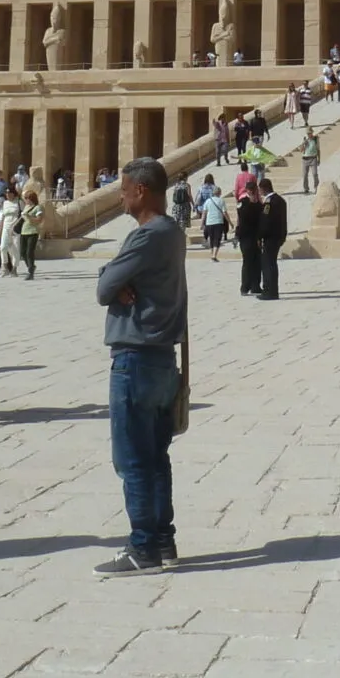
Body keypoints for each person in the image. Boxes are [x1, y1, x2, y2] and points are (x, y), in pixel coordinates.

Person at [94, 157, 188, 575]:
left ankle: (143, 547)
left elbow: (103, 288)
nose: (120, 197)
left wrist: (113, 278)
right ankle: (163, 541)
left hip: (135, 356)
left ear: (141, 191)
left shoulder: (146, 236)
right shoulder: (172, 232)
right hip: (161, 357)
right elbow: (114, 279)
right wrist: (117, 277)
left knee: (131, 458)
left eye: (124, 189)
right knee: (155, 456)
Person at [258, 178, 288, 299]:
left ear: (264, 188)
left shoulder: (269, 202)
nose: (260, 191)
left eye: (260, 189)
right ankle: (274, 291)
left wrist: (259, 236)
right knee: (272, 264)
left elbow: (265, 222)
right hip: (278, 236)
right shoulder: (281, 200)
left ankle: (269, 291)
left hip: (270, 237)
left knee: (267, 264)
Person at [234, 180, 265, 296]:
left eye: (254, 190)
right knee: (247, 261)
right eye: (250, 190)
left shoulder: (259, 203)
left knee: (257, 261)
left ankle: (255, 286)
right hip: (245, 236)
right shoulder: (243, 202)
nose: (252, 192)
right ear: (247, 190)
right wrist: (251, 203)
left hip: (256, 236)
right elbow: (242, 216)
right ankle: (245, 287)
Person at [0, 188, 23, 277]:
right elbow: (3, 216)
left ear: (13, 193)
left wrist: (17, 225)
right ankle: (5, 267)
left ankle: (14, 269)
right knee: (3, 247)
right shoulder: (5, 203)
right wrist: (0, 228)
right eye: (6, 193)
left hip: (15, 227)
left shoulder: (19, 202)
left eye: (9, 193)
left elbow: (23, 215)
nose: (8, 194)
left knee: (15, 248)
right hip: (6, 226)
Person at [200, 179, 228, 262]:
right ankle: (214, 255)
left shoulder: (208, 201)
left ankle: (212, 254)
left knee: (212, 239)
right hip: (218, 222)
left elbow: (204, 214)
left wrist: (202, 224)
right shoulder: (221, 201)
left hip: (209, 222)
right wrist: (230, 222)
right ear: (219, 193)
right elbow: (225, 213)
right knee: (217, 239)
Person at [19, 191, 44, 277]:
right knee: (22, 252)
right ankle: (31, 266)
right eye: (25, 198)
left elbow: (39, 220)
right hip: (24, 231)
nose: (25, 200)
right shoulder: (26, 207)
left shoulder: (38, 207)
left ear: (32, 199)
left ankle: (30, 272)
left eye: (27, 198)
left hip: (33, 232)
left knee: (29, 252)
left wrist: (29, 217)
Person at [300, 128, 321, 194]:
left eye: (310, 133)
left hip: (313, 158)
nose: (309, 134)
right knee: (305, 175)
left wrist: (319, 159)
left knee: (315, 174)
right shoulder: (305, 139)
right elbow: (301, 150)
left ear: (312, 133)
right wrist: (303, 144)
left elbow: (318, 149)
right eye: (308, 133)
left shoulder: (315, 139)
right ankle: (306, 188)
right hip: (305, 159)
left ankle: (316, 187)